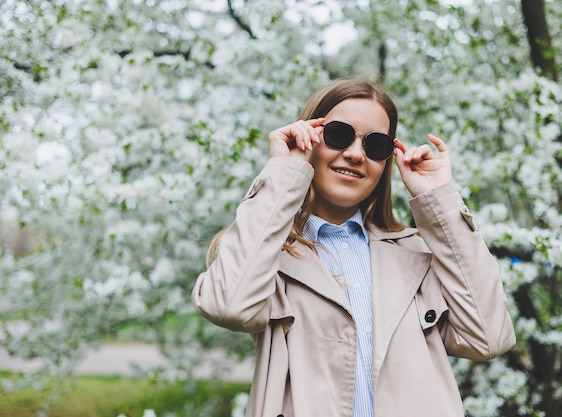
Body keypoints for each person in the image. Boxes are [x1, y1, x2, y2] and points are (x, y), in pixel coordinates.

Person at [192, 79, 516, 417]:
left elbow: (488, 337)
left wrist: (440, 203)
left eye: (376, 145)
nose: (355, 154)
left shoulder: (416, 255)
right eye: (337, 135)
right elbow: (227, 305)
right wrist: (284, 173)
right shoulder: (267, 252)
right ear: (309, 138)